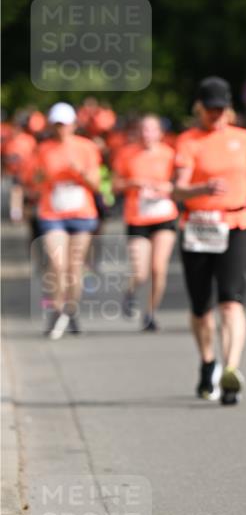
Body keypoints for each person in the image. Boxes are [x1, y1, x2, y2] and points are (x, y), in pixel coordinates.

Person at [174, 76, 246, 404]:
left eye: (221, 109)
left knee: (231, 301)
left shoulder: (244, 139)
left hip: (236, 222)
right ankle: (207, 362)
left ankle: (231, 369)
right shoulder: (189, 141)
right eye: (210, 109)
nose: (216, 115)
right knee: (202, 307)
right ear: (199, 108)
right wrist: (201, 190)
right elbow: (177, 187)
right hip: (199, 226)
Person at [25, 102, 101, 339]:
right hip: (52, 213)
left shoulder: (86, 147)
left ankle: (71, 309)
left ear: (74, 125)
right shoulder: (43, 149)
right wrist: (40, 178)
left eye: (65, 124)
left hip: (82, 214)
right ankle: (56, 309)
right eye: (56, 124)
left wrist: (79, 171)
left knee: (74, 268)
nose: (61, 129)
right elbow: (33, 181)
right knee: (57, 265)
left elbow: (97, 185)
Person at [112, 114, 178, 331]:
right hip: (137, 216)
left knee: (159, 268)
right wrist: (133, 183)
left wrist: (167, 188)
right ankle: (130, 291)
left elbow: (180, 184)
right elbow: (114, 186)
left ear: (160, 133)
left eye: (151, 129)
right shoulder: (127, 154)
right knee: (140, 272)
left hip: (164, 215)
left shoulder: (170, 154)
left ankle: (150, 313)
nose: (147, 134)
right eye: (143, 129)